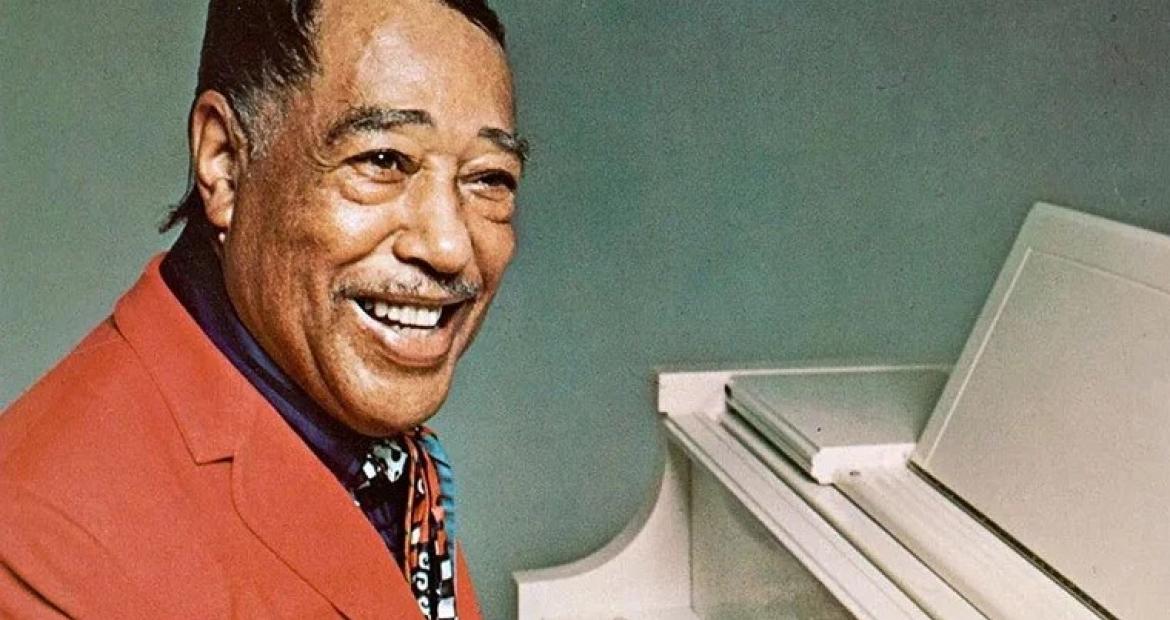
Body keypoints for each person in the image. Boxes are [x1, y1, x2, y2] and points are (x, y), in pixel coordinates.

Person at [0, 0, 526, 617]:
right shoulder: (39, 543)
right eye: (382, 160)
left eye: (489, 178)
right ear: (224, 162)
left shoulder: (372, 448)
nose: (449, 245)